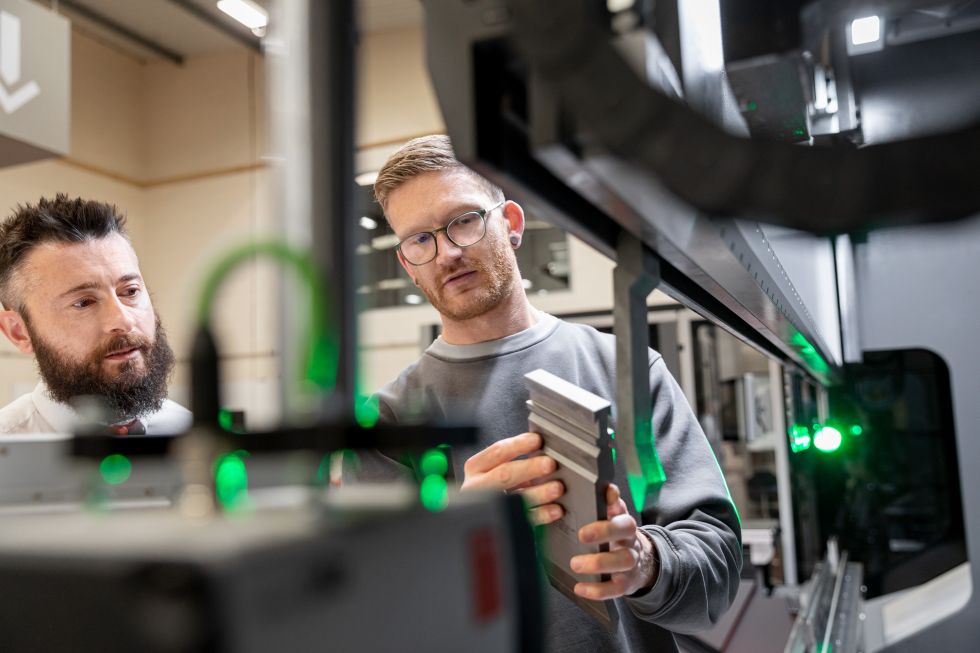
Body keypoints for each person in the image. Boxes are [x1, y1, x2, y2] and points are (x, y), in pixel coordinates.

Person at [370, 136, 741, 652]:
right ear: (408, 264)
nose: (448, 252)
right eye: (420, 240)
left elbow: (717, 569)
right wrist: (459, 538)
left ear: (512, 223)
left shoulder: (627, 370)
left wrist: (645, 563)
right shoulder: (389, 423)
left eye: (463, 221)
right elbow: (378, 615)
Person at [0, 194, 190, 435]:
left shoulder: (190, 436)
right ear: (19, 332)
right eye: (83, 303)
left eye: (130, 291)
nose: (124, 320)